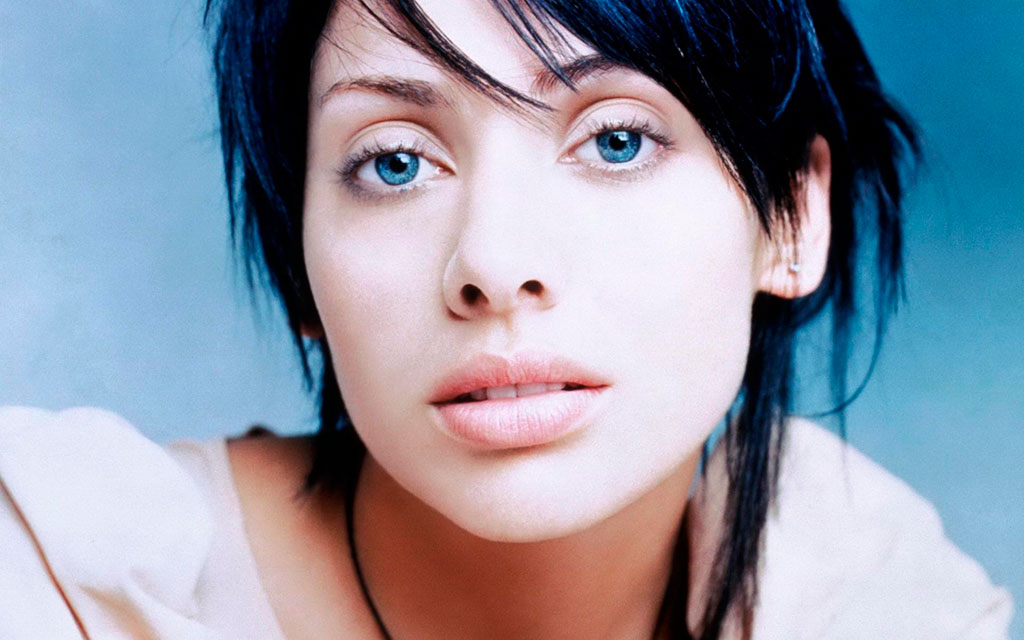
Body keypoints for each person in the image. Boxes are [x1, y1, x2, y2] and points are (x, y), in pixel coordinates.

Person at [0, 0, 1014, 638]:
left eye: (616, 141)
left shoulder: (869, 591)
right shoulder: (63, 573)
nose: (492, 263)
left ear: (791, 215)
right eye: (395, 162)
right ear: (299, 268)